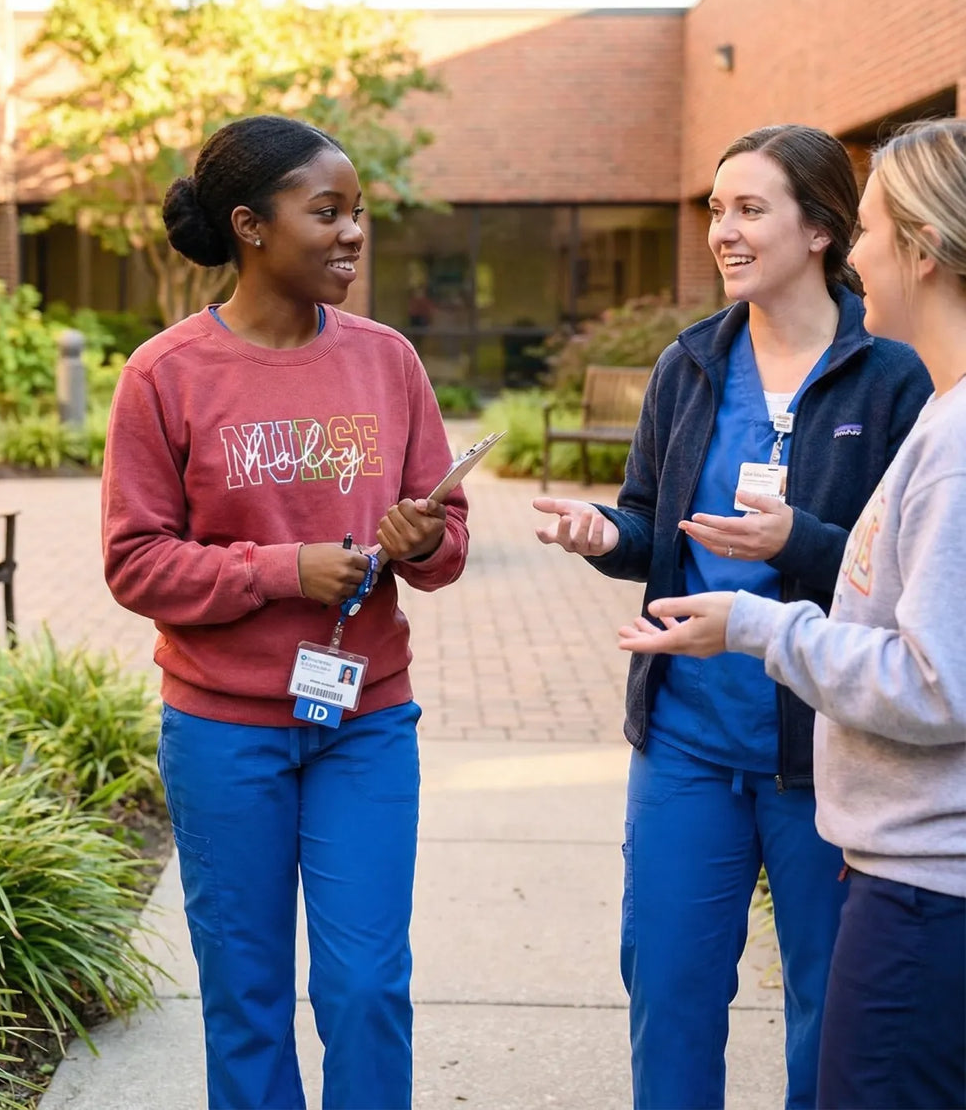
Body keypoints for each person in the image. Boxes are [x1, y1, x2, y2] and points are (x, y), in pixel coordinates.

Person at [532, 124, 932, 1109]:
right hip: (686, 741)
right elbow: (650, 524)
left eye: (751, 209)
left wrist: (799, 541)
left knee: (828, 1015)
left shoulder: (894, 376)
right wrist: (606, 534)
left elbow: (903, 576)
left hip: (825, 750)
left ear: (822, 230)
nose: (724, 231)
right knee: (667, 992)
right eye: (717, 210)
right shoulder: (691, 364)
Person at [101, 113, 469, 1110]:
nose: (354, 232)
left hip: (366, 723)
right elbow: (135, 563)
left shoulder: (387, 359)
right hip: (224, 732)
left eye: (358, 212)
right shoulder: (165, 374)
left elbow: (449, 540)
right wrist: (282, 571)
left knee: (366, 986)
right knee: (247, 997)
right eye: (328, 212)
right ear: (251, 226)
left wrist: (420, 541)